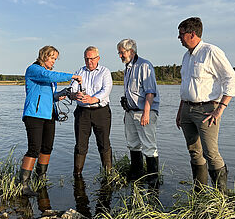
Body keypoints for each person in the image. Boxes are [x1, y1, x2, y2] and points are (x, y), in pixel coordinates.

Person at [175, 17, 235, 192]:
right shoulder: (186, 56)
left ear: (192, 34)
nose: (179, 38)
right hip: (187, 109)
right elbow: (186, 86)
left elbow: (232, 79)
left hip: (207, 110)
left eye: (181, 34)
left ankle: (221, 196)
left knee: (211, 153)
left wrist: (219, 110)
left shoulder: (211, 52)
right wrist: (180, 112)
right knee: (194, 152)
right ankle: (200, 192)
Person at [20, 45, 82, 196]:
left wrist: (61, 94)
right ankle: (23, 185)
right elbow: (49, 76)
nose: (54, 61)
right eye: (52, 58)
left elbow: (50, 95)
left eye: (55, 58)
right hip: (34, 115)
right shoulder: (34, 69)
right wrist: (73, 76)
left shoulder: (47, 74)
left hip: (49, 115)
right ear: (44, 56)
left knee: (47, 148)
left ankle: (41, 178)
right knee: (34, 148)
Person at [117, 39, 160, 183]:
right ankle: (137, 174)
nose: (120, 56)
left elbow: (150, 92)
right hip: (130, 112)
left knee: (149, 145)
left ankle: (153, 178)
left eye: (122, 53)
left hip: (144, 112)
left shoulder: (144, 66)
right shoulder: (128, 68)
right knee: (133, 143)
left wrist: (146, 113)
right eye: (119, 53)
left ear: (131, 51)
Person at [70, 46, 113, 177]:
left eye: (92, 59)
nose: (89, 62)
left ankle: (108, 174)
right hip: (82, 113)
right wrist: (74, 95)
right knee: (80, 145)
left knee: (104, 144)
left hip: (101, 112)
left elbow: (106, 89)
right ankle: (77, 175)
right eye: (87, 59)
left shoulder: (105, 72)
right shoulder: (79, 72)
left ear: (98, 58)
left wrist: (93, 99)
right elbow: (72, 89)